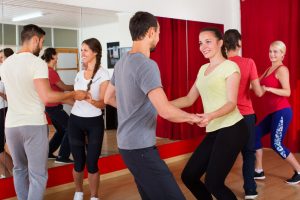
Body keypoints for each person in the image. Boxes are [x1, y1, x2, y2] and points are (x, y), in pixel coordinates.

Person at [104, 11, 201, 200]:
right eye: (158, 33)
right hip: (140, 149)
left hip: (126, 146)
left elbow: (107, 98)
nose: (159, 37)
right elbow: (164, 110)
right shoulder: (147, 65)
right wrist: (193, 118)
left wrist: (132, 110)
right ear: (150, 32)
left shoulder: (121, 63)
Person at [0, 24, 88, 200]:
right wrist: (73, 94)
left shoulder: (5, 64)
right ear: (35, 40)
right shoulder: (37, 63)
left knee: (19, 169)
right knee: (38, 175)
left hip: (11, 126)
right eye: (42, 42)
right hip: (33, 124)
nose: (41, 46)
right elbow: (47, 97)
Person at [170, 27, 250, 200]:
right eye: (200, 43)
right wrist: (163, 105)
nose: (203, 46)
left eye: (208, 41)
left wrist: (210, 115)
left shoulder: (230, 66)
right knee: (189, 176)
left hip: (233, 128)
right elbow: (189, 98)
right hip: (214, 130)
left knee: (214, 183)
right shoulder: (203, 69)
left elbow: (231, 103)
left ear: (220, 43)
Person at [223, 29, 265, 199]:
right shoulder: (249, 62)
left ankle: (216, 184)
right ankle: (250, 189)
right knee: (248, 153)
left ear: (224, 45)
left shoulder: (221, 65)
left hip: (226, 115)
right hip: (246, 115)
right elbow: (259, 92)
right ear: (239, 43)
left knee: (225, 153)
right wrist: (263, 87)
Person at [254, 41, 300, 184]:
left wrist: (269, 89)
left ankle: (299, 170)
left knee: (276, 144)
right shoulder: (269, 68)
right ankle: (258, 170)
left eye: (275, 52)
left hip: (282, 111)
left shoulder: (282, 69)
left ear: (282, 54)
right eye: (270, 51)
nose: (272, 54)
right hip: (274, 112)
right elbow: (256, 86)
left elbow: (287, 92)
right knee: (254, 134)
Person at [69, 38, 109, 200]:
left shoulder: (103, 74)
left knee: (92, 163)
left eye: (85, 50)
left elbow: (104, 103)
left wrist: (89, 99)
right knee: (78, 162)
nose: (82, 53)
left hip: (94, 122)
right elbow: (73, 98)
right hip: (75, 121)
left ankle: (94, 196)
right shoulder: (78, 75)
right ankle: (78, 192)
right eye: (81, 50)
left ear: (95, 52)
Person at [41, 48, 74, 164]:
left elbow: (59, 89)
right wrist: (78, 87)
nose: (57, 59)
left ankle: (49, 152)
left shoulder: (44, 70)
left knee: (61, 130)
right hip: (54, 107)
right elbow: (64, 87)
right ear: (52, 57)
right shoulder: (51, 72)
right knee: (71, 128)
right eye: (57, 57)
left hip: (49, 107)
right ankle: (62, 156)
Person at [0, 48, 14, 178]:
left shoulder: (10, 75)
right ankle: (6, 175)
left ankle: (15, 173)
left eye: (2, 57)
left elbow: (12, 97)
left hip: (3, 111)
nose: (0, 60)